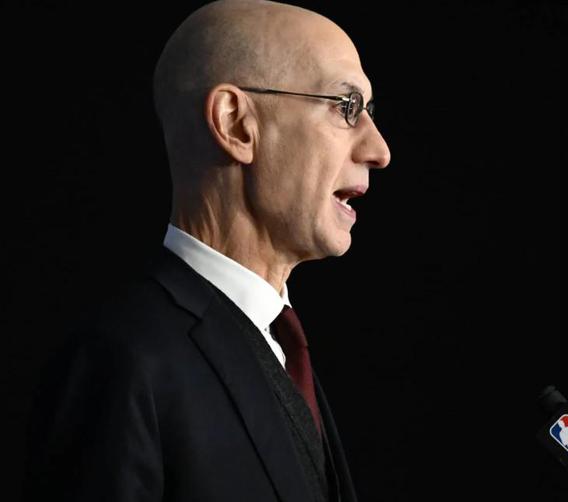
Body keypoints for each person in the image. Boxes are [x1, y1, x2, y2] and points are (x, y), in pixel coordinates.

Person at [21, 1, 390, 501]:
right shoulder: (120, 360)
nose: (379, 150)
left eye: (368, 111)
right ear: (235, 124)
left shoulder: (282, 350)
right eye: (345, 107)